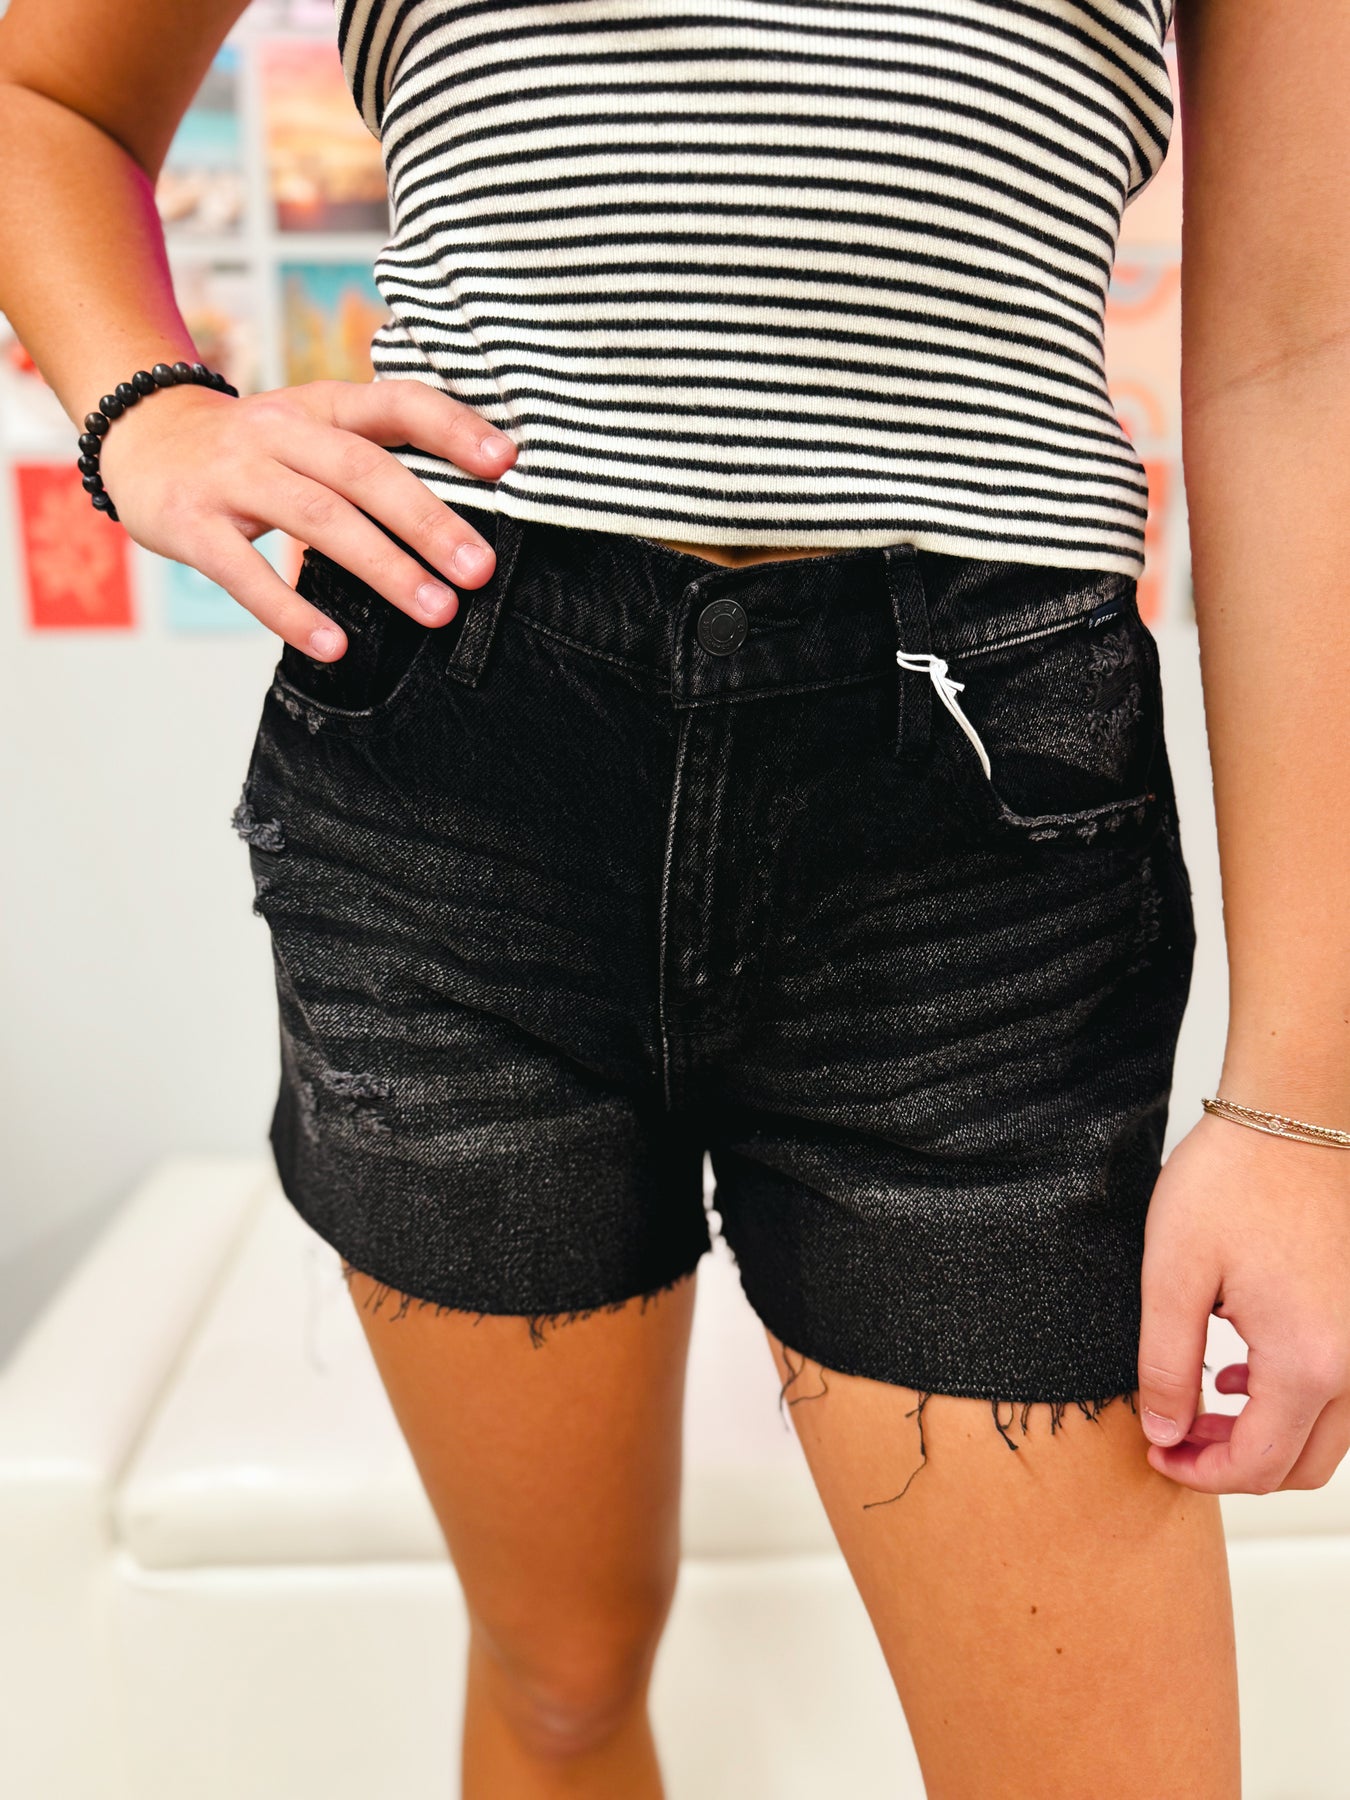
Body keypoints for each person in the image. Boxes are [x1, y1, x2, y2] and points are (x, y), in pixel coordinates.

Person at [3, 0, 1348, 1793]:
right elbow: (44, 94)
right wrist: (145, 412)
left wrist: (1305, 1110)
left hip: (963, 820)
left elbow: (1300, 352)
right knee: (558, 1678)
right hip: (461, 774)